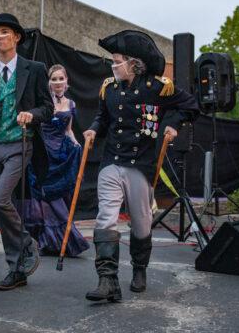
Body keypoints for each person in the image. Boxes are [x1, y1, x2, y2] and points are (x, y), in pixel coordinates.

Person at [83, 30, 199, 302]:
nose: (113, 66)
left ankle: (139, 269)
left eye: (118, 61)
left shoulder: (157, 88)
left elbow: (190, 106)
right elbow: (102, 117)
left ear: (134, 63)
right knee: (106, 216)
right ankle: (108, 280)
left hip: (140, 165)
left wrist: (172, 125)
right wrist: (92, 130)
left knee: (141, 223)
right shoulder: (109, 89)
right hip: (111, 161)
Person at [0, 13, 54, 290]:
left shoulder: (35, 69)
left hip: (21, 144)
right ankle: (17, 269)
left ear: (16, 37)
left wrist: (31, 114)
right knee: (5, 208)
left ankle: (26, 243)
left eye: (4, 32)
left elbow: (48, 109)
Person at [24, 64, 90, 256]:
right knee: (45, 201)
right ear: (48, 83)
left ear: (67, 82)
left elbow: (68, 130)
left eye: (61, 78)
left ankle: (59, 242)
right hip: (42, 154)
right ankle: (47, 241)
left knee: (61, 199)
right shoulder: (41, 103)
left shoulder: (71, 104)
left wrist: (78, 144)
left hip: (62, 156)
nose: (58, 82)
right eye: (54, 79)